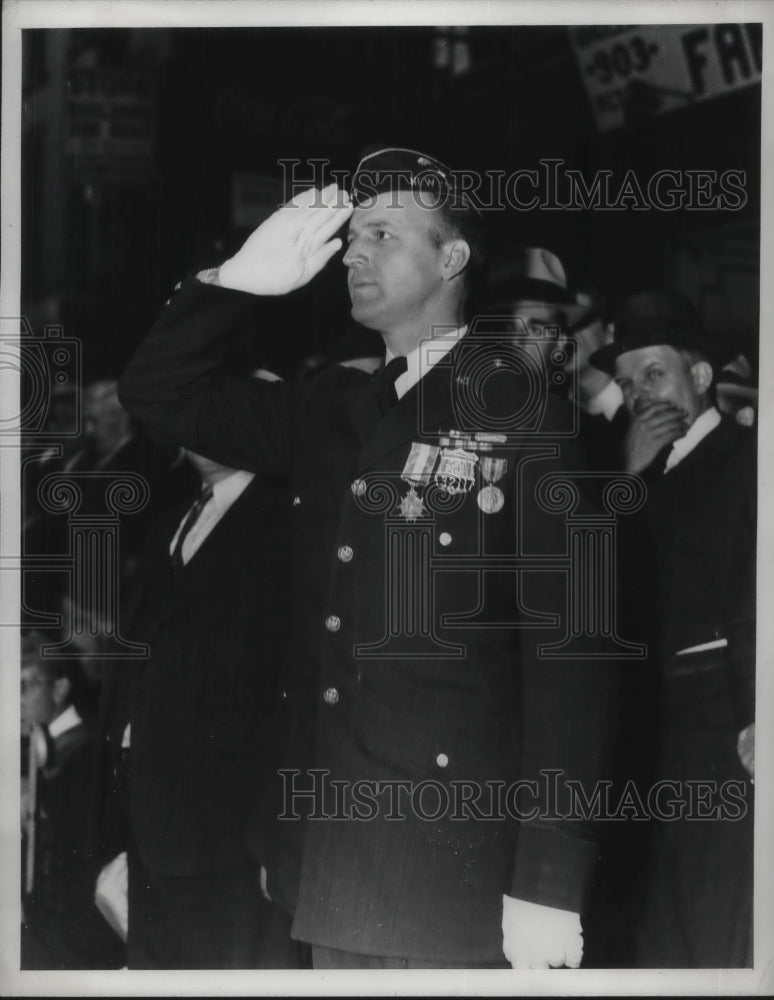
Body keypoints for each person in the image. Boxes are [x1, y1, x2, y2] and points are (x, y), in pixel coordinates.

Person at [119, 147, 618, 970]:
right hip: (327, 861)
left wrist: (551, 881)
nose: (352, 253)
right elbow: (160, 393)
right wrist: (236, 280)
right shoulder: (328, 407)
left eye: (383, 234)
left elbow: (573, 664)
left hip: (456, 870)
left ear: (452, 259)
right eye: (351, 236)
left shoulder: (525, 416)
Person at [589, 289, 756, 967]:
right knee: (654, 924)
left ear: (702, 377)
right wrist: (624, 479)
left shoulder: (750, 459)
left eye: (653, 375)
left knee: (710, 918)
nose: (638, 395)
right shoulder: (629, 471)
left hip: (719, 728)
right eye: (627, 383)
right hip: (645, 736)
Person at [95, 444, 302, 969]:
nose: (199, 437)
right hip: (150, 815)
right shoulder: (173, 519)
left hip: (229, 832)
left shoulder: (284, 516)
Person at [20, 633, 125, 969]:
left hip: (76, 945)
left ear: (60, 688)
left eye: (26, 686)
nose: (15, 699)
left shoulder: (87, 754)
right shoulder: (38, 748)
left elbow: (83, 860)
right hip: (45, 935)